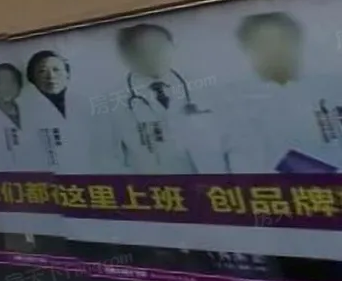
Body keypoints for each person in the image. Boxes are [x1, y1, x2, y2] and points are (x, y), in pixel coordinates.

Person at [229, 11, 342, 172]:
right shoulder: (236, 109)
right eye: (264, 44)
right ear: (248, 50)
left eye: (282, 41)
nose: (275, 51)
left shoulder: (332, 88)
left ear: (297, 42)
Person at [106, 22, 225, 175]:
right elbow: (110, 160)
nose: (154, 56)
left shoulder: (201, 86)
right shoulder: (112, 103)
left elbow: (230, 140)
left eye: (160, 48)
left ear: (172, 47)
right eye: (143, 51)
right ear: (126, 56)